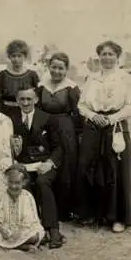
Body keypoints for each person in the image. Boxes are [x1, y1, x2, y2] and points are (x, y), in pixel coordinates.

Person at [75, 40, 131, 233]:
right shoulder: (92, 78)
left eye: (111, 54)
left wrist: (110, 119)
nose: (107, 58)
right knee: (90, 168)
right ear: (98, 56)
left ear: (117, 57)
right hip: (93, 127)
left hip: (116, 126)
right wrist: (94, 116)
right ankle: (93, 213)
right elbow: (81, 105)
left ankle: (117, 217)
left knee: (115, 170)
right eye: (104, 54)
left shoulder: (125, 78)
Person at [11, 88, 65, 249]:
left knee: (43, 182)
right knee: (23, 185)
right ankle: (32, 229)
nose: (26, 103)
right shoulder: (12, 120)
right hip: (24, 165)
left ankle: (53, 229)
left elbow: (59, 147)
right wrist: (14, 159)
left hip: (44, 164)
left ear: (35, 99)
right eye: (22, 99)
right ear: (17, 100)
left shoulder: (47, 118)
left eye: (29, 99)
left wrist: (50, 163)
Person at [36, 52, 82, 221]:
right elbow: (38, 107)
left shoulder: (71, 88)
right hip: (46, 127)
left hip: (65, 128)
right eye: (53, 67)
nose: (56, 71)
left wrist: (77, 135)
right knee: (47, 163)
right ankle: (47, 207)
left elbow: (78, 113)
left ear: (66, 70)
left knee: (65, 168)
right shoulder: (42, 85)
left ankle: (63, 210)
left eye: (60, 68)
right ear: (49, 67)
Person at [0, 164, 45, 252]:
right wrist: (2, 230)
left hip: (22, 230)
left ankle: (10, 245)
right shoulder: (0, 195)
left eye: (17, 183)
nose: (13, 186)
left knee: (34, 236)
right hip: (4, 230)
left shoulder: (27, 196)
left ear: (24, 182)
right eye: (11, 182)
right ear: (7, 181)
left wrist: (18, 232)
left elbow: (29, 219)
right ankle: (22, 246)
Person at [0, 39, 40, 119]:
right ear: (9, 57)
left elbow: (37, 97)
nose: (16, 59)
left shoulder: (32, 75)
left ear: (25, 57)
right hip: (5, 113)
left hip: (26, 114)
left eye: (19, 56)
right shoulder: (2, 75)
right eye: (13, 56)